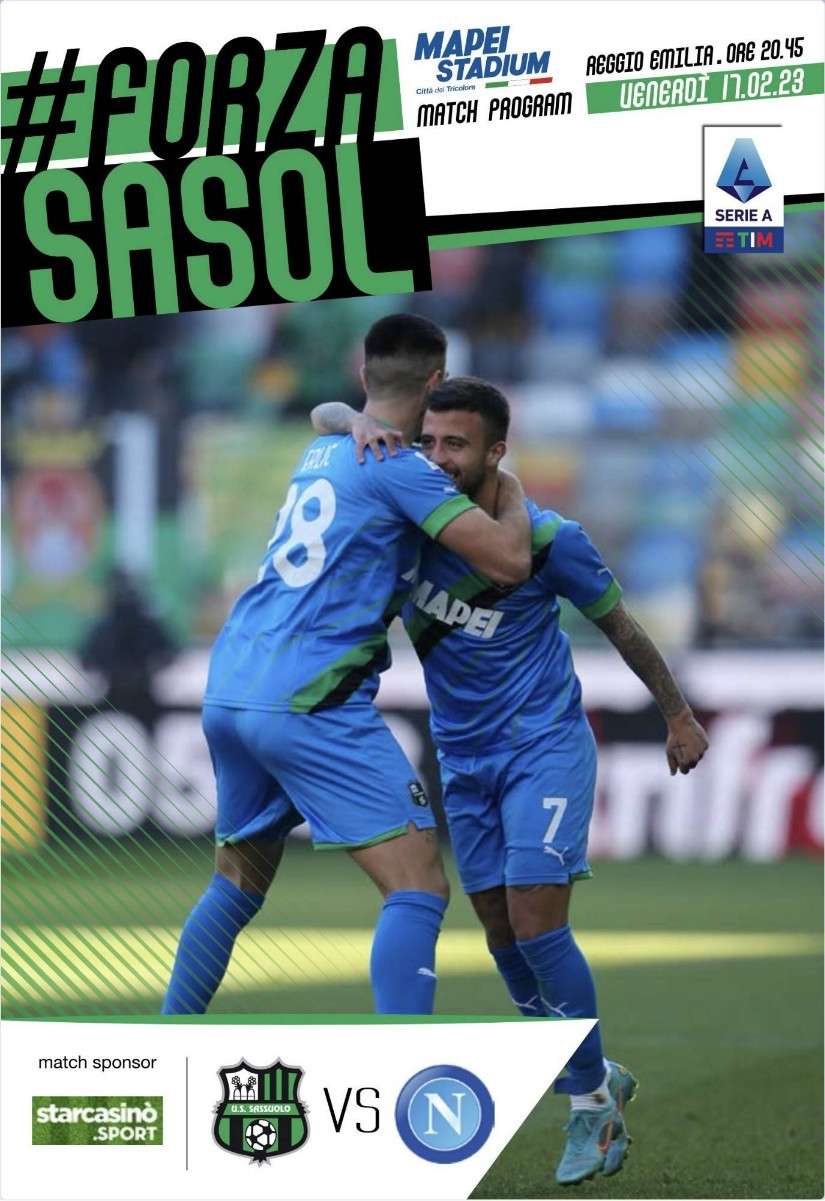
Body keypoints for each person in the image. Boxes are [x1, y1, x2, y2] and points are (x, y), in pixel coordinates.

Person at [312, 376, 709, 1185]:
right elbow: (322, 417)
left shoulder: (552, 540)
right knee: (498, 932)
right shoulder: (411, 524)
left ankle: (589, 1108)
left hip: (542, 744)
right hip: (462, 757)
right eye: (428, 440)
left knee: (534, 917)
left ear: (496, 450)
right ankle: (592, 1073)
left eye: (455, 444)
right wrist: (357, 419)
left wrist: (677, 714)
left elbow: (620, 627)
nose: (437, 457)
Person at [161, 317, 533, 1019]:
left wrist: (345, 416)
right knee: (418, 885)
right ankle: (400, 1070)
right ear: (436, 382)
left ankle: (166, 1041)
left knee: (235, 885)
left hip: (232, 684)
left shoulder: (324, 448)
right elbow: (510, 561)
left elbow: (323, 413)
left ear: (364, 376)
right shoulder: (404, 471)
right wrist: (509, 491)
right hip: (309, 698)